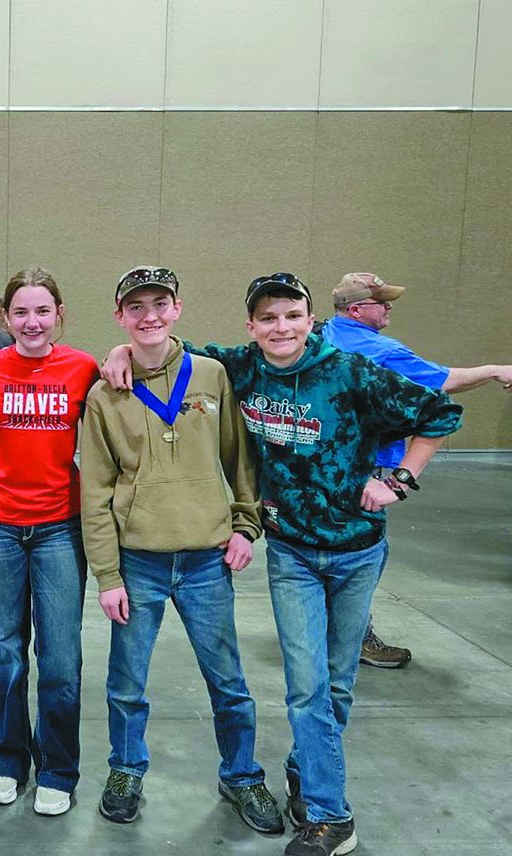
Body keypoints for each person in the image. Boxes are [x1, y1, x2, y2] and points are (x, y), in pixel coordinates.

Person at [102, 272, 461, 856]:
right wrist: (117, 349)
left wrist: (400, 478)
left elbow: (440, 413)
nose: (281, 328)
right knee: (306, 685)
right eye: (268, 318)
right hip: (291, 549)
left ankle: (305, 770)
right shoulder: (242, 367)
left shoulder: (349, 372)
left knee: (337, 684)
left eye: (292, 316)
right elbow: (163, 348)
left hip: (357, 549)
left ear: (310, 320)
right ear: (252, 327)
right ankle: (329, 816)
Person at [80, 266, 281, 833]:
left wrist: (246, 526)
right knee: (126, 682)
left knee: (228, 681)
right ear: (120, 316)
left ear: (177, 308)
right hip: (138, 562)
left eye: (159, 303)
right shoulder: (105, 394)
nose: (149, 315)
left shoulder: (212, 376)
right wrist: (108, 576)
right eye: (136, 306)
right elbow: (94, 492)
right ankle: (126, 769)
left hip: (205, 561)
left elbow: (239, 460)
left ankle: (241, 775)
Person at [320, 272, 512, 669]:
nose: (389, 307)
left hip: (318, 464)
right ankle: (354, 638)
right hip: (366, 467)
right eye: (381, 302)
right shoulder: (381, 349)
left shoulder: (319, 337)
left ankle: (324, 633)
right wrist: (495, 369)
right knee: (364, 555)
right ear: (357, 310)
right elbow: (444, 381)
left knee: (320, 550)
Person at [0, 266, 100, 816]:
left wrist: (119, 356)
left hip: (58, 526)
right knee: (6, 652)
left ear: (59, 315)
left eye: (42, 311)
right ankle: (8, 758)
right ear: (6, 318)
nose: (32, 322)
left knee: (59, 659)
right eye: (21, 312)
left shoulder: (83, 368)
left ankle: (58, 768)